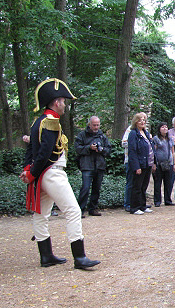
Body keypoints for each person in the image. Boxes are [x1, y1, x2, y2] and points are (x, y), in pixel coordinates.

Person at [20, 78, 100, 269]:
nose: (64, 104)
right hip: (52, 172)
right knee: (73, 210)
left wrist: (27, 169)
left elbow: (31, 149)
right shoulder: (51, 122)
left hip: (42, 174)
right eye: (63, 101)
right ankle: (79, 257)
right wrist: (32, 173)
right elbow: (44, 153)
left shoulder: (38, 121)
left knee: (41, 214)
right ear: (56, 102)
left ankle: (46, 256)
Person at [74, 116, 111, 217]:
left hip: (99, 166)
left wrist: (101, 149)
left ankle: (93, 208)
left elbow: (108, 150)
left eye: (98, 125)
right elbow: (77, 149)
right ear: (89, 124)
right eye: (94, 125)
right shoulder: (82, 135)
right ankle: (80, 210)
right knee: (85, 188)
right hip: (87, 166)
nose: (96, 127)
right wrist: (89, 148)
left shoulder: (102, 136)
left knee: (96, 189)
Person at [128, 112, 156, 214]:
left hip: (147, 163)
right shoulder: (133, 134)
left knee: (144, 186)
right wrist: (136, 166)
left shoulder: (146, 133)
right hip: (140, 164)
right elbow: (132, 151)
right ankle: (134, 207)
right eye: (140, 120)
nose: (142, 122)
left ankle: (142, 206)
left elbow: (151, 148)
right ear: (136, 122)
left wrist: (154, 163)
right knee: (137, 186)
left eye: (144, 120)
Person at [152, 122, 175, 207]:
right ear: (159, 129)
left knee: (168, 183)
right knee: (158, 182)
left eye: (166, 127)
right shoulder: (156, 139)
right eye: (162, 127)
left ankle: (168, 200)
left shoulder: (170, 139)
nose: (165, 128)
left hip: (169, 163)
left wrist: (174, 164)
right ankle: (157, 201)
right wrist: (154, 163)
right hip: (159, 163)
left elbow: (173, 151)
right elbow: (154, 152)